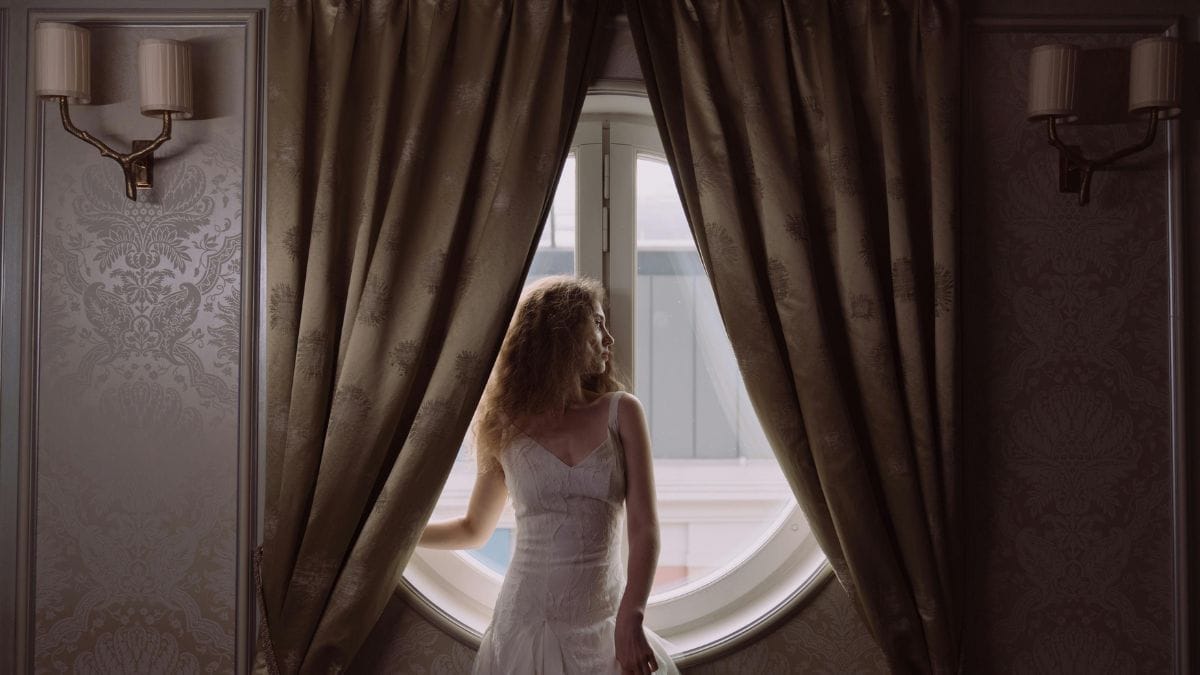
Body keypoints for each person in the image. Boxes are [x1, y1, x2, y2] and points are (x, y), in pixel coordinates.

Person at [419, 275, 678, 675]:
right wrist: (394, 536)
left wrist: (632, 616)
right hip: (525, 624)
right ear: (562, 335)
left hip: (605, 625)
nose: (609, 338)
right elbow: (473, 529)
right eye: (598, 324)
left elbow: (644, 527)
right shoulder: (504, 425)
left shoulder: (622, 411)